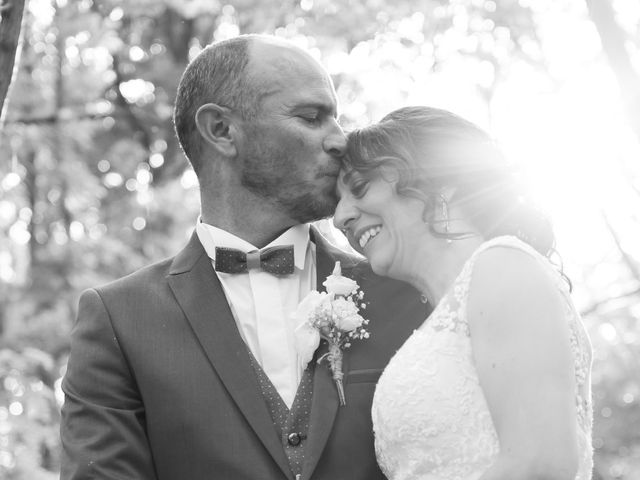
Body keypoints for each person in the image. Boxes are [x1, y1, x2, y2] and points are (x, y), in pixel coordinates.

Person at [59, 35, 427, 480]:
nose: (340, 141)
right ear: (221, 130)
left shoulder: (405, 290)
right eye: (312, 117)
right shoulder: (119, 320)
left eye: (336, 118)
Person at [333, 106, 593, 480]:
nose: (340, 217)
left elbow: (540, 465)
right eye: (336, 203)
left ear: (438, 181)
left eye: (358, 188)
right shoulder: (441, 316)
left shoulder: (503, 267)